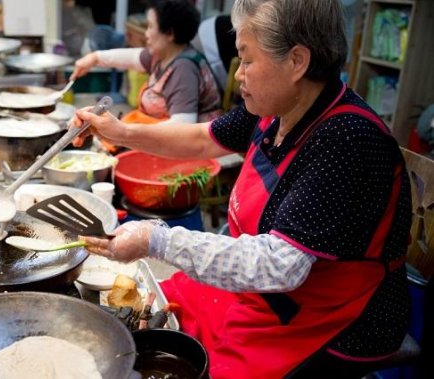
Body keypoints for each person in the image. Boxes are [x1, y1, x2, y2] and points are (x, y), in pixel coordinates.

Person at [72, 0, 412, 377]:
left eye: (247, 60)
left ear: (297, 61)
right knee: (172, 306)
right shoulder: (275, 109)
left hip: (340, 318)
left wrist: (158, 240)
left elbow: (279, 266)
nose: (239, 75)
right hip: (273, 295)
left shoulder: (347, 139)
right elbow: (204, 139)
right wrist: (121, 133)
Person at [70, 0, 222, 126]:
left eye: (150, 26)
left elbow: (182, 126)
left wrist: (126, 132)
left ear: (169, 33)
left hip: (189, 147)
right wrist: (93, 58)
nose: (146, 34)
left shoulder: (184, 69)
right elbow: (131, 57)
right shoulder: (163, 55)